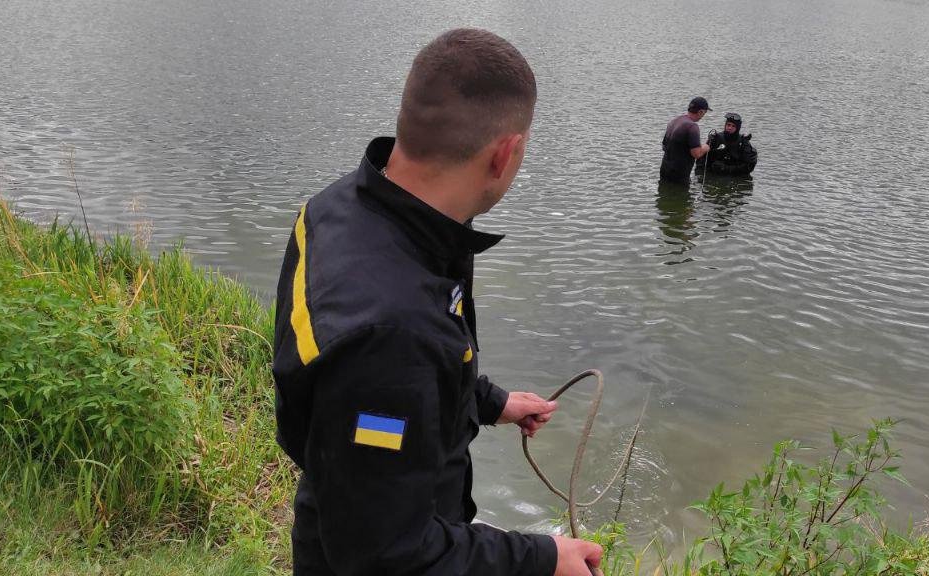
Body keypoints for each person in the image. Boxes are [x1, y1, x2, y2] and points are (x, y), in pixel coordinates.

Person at [271, 28, 603, 576]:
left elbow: (378, 393)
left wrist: (490, 402)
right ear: (506, 153)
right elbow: (388, 556)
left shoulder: (336, 210)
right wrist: (544, 559)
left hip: (342, 488)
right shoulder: (390, 331)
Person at [659, 97, 712, 183]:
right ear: (700, 112)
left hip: (664, 171)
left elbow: (664, 145)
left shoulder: (674, 121)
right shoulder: (692, 127)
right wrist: (706, 147)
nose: (703, 116)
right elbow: (696, 154)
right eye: (704, 113)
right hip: (679, 175)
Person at [694, 112, 757, 177]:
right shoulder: (715, 139)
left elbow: (749, 166)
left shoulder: (743, 142)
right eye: (728, 125)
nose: (730, 128)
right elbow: (701, 160)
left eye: (733, 126)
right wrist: (700, 176)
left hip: (735, 176)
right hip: (715, 174)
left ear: (738, 128)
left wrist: (727, 168)